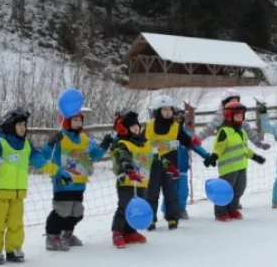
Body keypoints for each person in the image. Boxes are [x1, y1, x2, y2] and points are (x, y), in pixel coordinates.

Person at [0, 107, 65, 264]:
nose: (22, 128)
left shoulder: (26, 144)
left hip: (19, 193)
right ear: (10, 125)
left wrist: (57, 171)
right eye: (19, 125)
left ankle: (13, 249)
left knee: (16, 224)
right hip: (0, 193)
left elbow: (39, 160)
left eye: (24, 125)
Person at [41, 108, 108, 251]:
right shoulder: (61, 138)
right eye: (75, 120)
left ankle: (67, 234)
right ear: (66, 122)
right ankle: (52, 237)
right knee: (61, 211)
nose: (78, 123)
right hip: (63, 183)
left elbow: (95, 155)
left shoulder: (85, 139)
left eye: (80, 120)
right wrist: (51, 143)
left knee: (76, 213)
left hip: (79, 183)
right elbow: (46, 154)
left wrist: (104, 145)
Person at [144, 94, 215, 229]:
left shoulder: (176, 127)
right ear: (158, 111)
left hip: (170, 165)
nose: (168, 113)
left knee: (171, 193)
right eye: (164, 110)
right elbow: (140, 142)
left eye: (170, 110)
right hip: (151, 164)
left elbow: (187, 141)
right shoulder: (148, 126)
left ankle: (172, 217)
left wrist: (196, 144)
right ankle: (150, 219)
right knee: (152, 193)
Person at [213, 101, 266, 220]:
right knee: (225, 190)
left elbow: (243, 148)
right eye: (236, 115)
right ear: (228, 116)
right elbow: (218, 148)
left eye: (241, 116)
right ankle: (220, 212)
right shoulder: (224, 131)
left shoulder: (241, 131)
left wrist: (255, 157)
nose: (239, 118)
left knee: (239, 189)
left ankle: (232, 209)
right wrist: (213, 157)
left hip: (241, 166)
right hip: (228, 168)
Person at [109, 109, 152, 248]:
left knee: (136, 207)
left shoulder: (145, 143)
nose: (136, 128)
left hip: (142, 181)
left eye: (137, 125)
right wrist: (129, 169)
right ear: (125, 129)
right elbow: (124, 157)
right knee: (125, 206)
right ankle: (118, 232)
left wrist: (168, 166)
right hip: (126, 181)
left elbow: (154, 158)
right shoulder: (123, 144)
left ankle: (130, 231)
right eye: (132, 126)